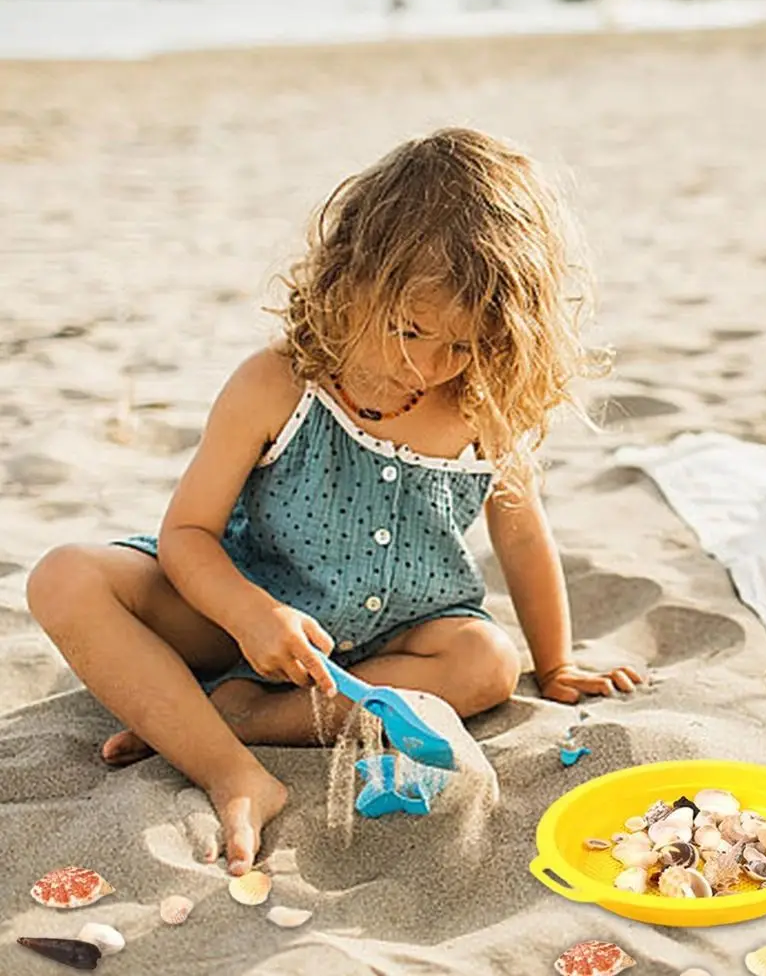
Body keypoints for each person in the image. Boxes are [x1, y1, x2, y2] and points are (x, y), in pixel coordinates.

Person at [26, 127, 642, 876]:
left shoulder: (483, 406)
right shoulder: (278, 385)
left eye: (463, 345)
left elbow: (521, 536)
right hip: (245, 618)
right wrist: (250, 613)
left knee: (485, 662)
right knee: (64, 575)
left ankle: (239, 720)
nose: (429, 363)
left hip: (394, 647)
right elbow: (187, 532)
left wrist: (557, 663)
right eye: (408, 330)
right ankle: (231, 771)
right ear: (348, 283)